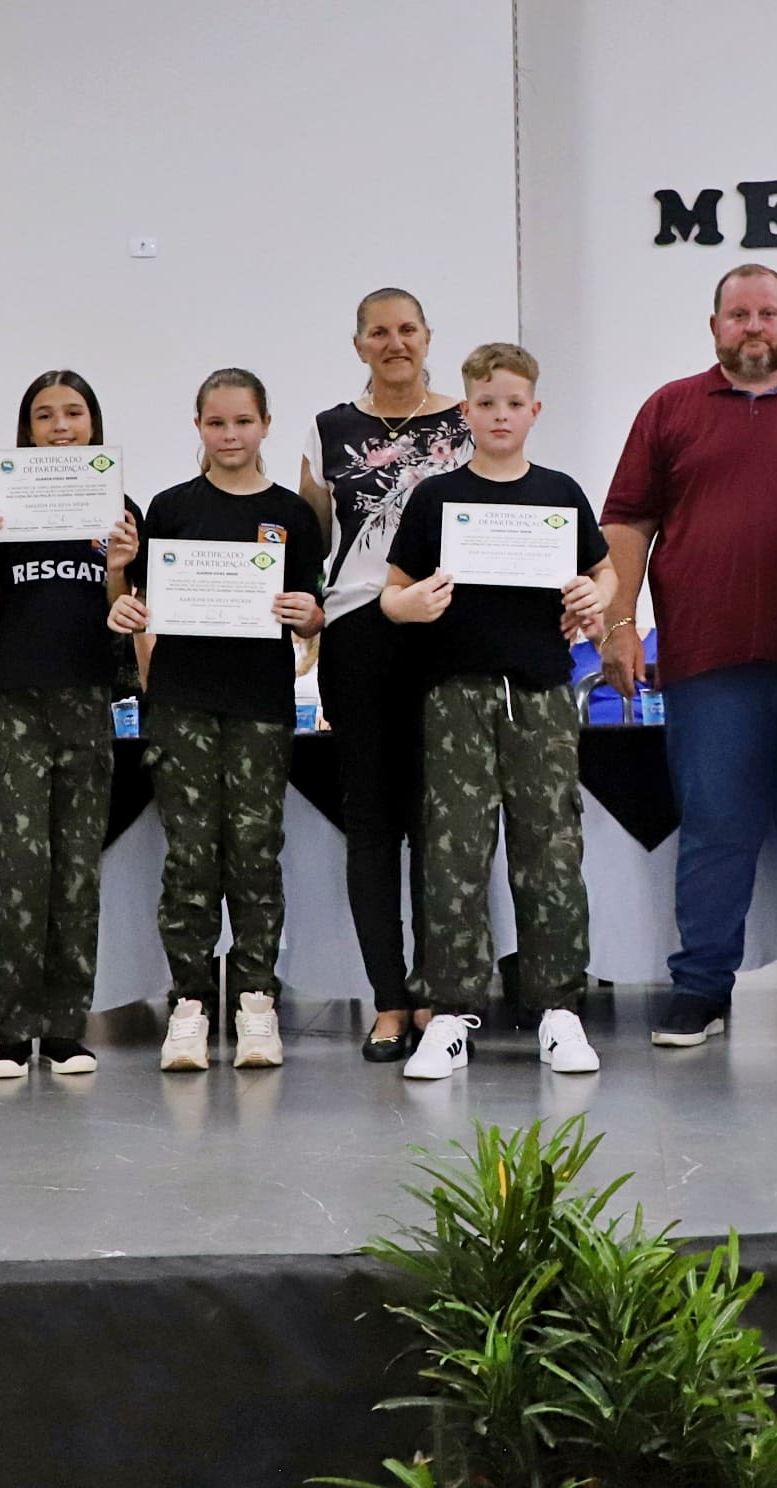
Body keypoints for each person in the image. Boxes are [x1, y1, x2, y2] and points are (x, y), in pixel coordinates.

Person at [600, 266, 777, 1048]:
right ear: (715, 325)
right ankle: (700, 989)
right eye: (739, 314)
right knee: (715, 830)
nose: (754, 327)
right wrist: (620, 625)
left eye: (768, 314)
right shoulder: (669, 409)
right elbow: (627, 524)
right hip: (706, 662)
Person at [382, 342, 618, 1080]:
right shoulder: (436, 498)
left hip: (541, 693)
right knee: (453, 849)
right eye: (486, 404)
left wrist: (597, 596)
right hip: (456, 693)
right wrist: (411, 606)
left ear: (534, 410)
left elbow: (604, 572)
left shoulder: (558, 492)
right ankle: (451, 1012)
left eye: (514, 403)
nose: (501, 415)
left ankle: (559, 1010)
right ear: (467, 411)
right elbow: (391, 593)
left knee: (550, 848)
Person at [114, 368, 326, 1072]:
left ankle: (257, 1000)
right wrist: (129, 608)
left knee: (256, 854)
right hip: (182, 705)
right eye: (216, 423)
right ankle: (190, 1004)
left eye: (242, 422)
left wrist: (310, 616)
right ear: (198, 426)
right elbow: (141, 604)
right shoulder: (171, 509)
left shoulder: (292, 514)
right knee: (191, 857)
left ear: (265, 424)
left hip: (261, 705)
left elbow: (311, 610)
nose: (230, 435)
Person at [298, 288, 473, 1061]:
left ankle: (438, 993)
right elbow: (309, 539)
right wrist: (297, 608)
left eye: (407, 330)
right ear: (359, 344)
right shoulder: (329, 428)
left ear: (428, 337)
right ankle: (390, 1000)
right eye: (379, 332)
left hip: (447, 631)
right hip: (358, 635)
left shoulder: (466, 420)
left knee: (440, 822)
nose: (395, 342)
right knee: (371, 824)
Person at [0, 369, 143, 1080]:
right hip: (16, 701)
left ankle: (66, 1029)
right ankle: (13, 1030)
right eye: (45, 415)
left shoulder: (119, 508)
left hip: (87, 703)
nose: (61, 427)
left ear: (93, 423)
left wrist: (120, 567)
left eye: (73, 413)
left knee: (75, 871)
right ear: (26, 429)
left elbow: (123, 620)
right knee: (19, 869)